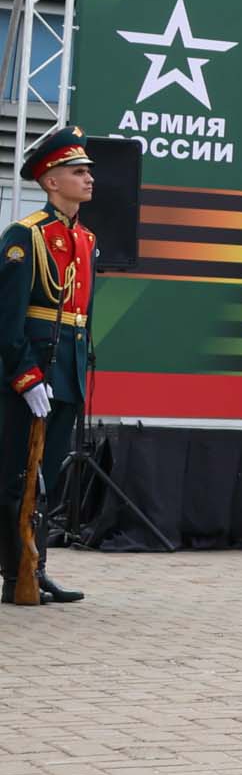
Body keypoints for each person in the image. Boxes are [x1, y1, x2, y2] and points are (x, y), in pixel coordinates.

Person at [3, 126, 97, 606]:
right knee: (16, 477)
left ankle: (35, 568)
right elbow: (8, 316)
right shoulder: (26, 237)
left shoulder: (86, 239)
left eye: (88, 172)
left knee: (47, 478)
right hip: (35, 374)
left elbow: (82, 317)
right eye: (77, 172)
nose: (88, 179)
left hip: (67, 374)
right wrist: (25, 375)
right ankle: (14, 571)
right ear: (50, 180)